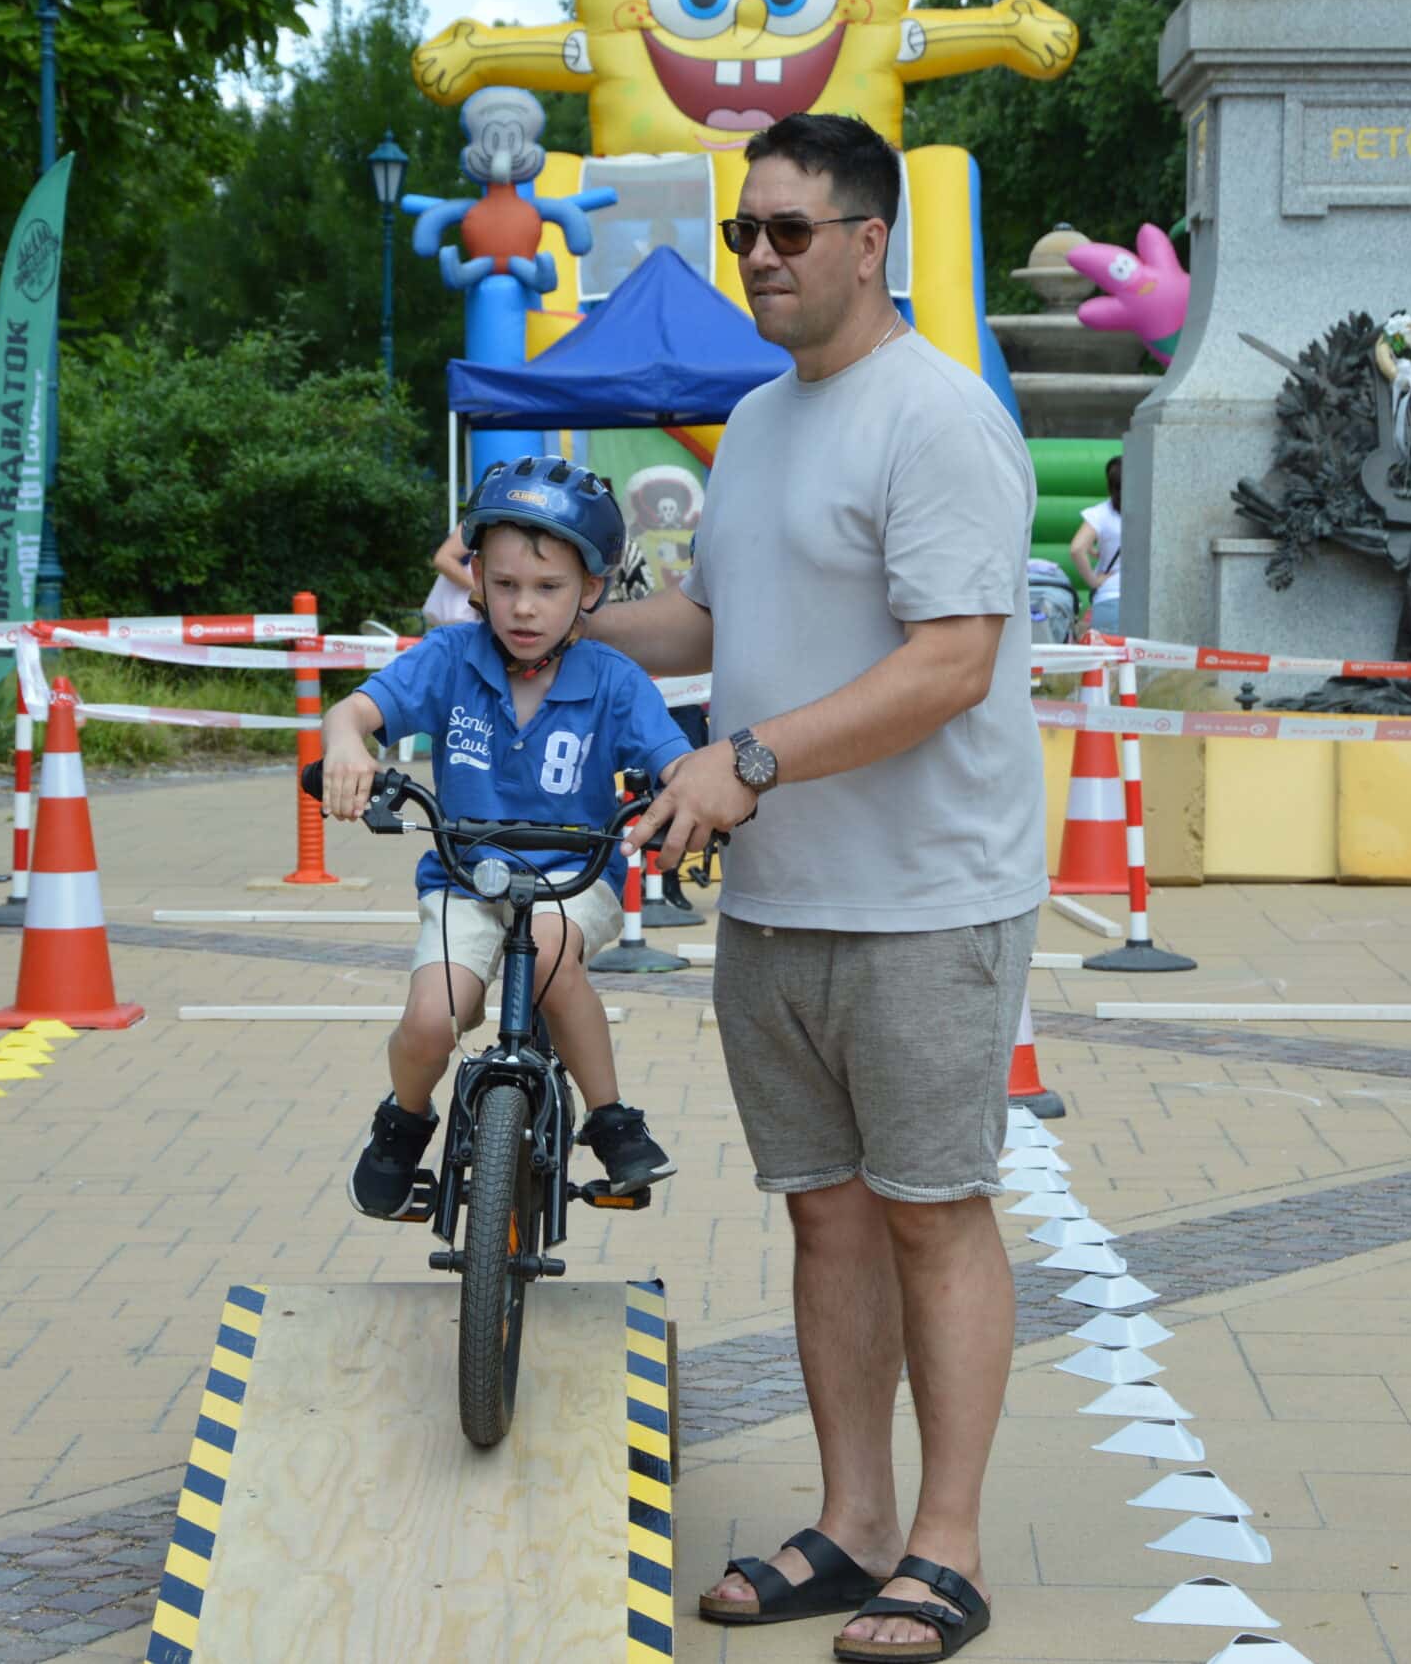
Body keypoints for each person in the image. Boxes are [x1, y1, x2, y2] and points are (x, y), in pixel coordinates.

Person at [597, 111, 1042, 1661]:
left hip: (927, 898)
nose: (762, 257)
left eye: (790, 230)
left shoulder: (940, 417)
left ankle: (947, 1545)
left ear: (870, 241)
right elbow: (707, 620)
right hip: (779, 902)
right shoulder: (760, 418)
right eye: (745, 231)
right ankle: (854, 1524)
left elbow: (951, 662)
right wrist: (547, 610)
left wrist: (751, 760)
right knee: (828, 1220)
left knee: (933, 1216)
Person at [319, 456, 691, 1219]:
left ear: (591, 590)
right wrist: (348, 746)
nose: (524, 607)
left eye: (549, 587)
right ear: (476, 580)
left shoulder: (614, 680)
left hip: (571, 881)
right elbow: (351, 713)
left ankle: (612, 1119)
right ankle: (403, 1123)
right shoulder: (451, 659)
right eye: (506, 583)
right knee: (432, 1020)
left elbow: (675, 762)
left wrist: (688, 794)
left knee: (550, 952)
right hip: (466, 880)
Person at [1068, 455, 1124, 635]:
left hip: (1110, 599)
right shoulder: (1154, 510)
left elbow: (1077, 549)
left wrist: (1093, 581)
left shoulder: (1101, 513)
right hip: (1148, 602)